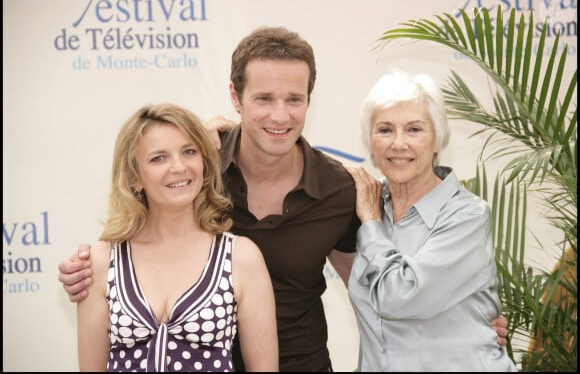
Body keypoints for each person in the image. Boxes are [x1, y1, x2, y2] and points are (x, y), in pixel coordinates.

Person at [59, 27, 509, 372]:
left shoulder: (340, 190)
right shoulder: (198, 168)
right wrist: (88, 268)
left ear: (310, 100)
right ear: (235, 96)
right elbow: (138, 239)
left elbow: (374, 290)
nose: (280, 115)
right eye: (264, 98)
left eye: (294, 99)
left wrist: (462, 324)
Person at [76, 103, 278, 372]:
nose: (179, 167)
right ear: (135, 177)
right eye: (158, 158)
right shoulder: (102, 262)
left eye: (189, 151)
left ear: (204, 164)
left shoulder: (241, 257)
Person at [343, 70, 518, 371]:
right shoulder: (364, 202)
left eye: (414, 129)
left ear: (437, 138)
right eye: (385, 130)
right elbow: (288, 163)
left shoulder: (467, 216)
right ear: (369, 141)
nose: (399, 143)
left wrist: (370, 222)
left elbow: (398, 297)